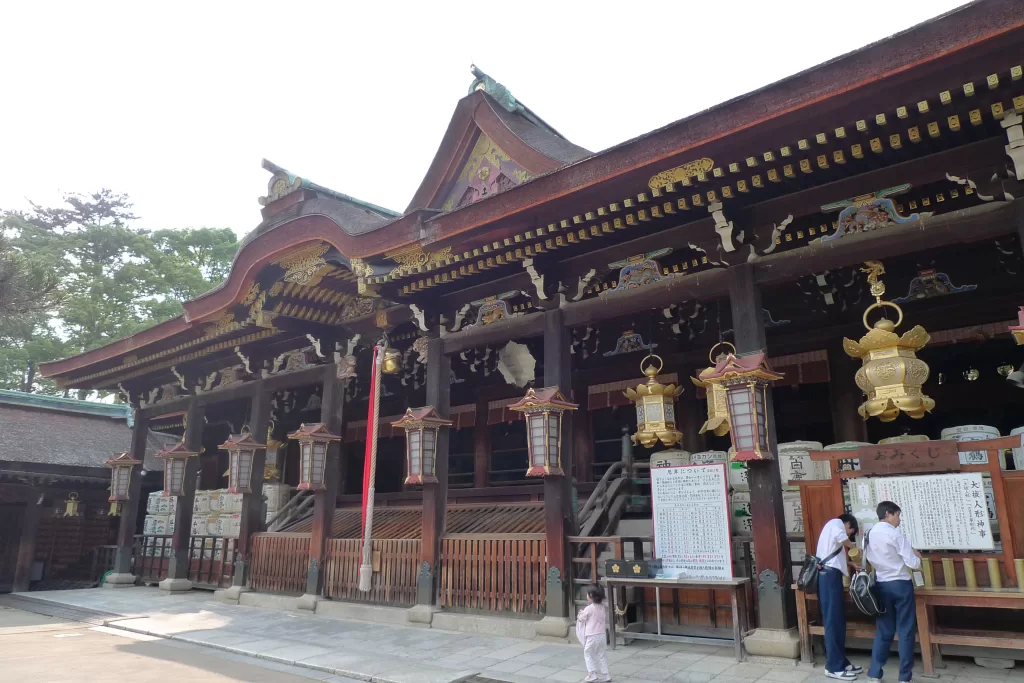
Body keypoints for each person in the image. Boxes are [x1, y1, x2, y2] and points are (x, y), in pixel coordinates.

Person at [865, 501, 922, 683]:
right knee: (905, 630)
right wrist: (917, 556)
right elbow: (913, 563)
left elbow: (868, 559)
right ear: (888, 514)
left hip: (881, 584)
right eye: (898, 515)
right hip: (900, 584)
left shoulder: (869, 534)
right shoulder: (895, 534)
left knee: (884, 630)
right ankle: (904, 677)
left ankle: (874, 673)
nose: (899, 519)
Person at [816, 513, 862, 680]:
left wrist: (850, 563)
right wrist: (855, 549)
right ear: (847, 523)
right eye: (851, 530)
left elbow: (833, 555)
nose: (849, 534)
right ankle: (833, 667)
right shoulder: (835, 523)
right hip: (828, 577)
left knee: (838, 621)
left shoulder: (832, 529)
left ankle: (841, 662)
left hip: (831, 575)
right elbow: (841, 537)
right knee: (833, 621)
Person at [577, 584, 610, 682]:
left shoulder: (589, 608)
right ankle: (606, 674)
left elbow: (582, 619)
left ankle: (592, 673)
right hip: (602, 635)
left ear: (590, 595)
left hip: (591, 635)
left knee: (588, 653)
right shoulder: (602, 607)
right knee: (601, 654)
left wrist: (580, 614)